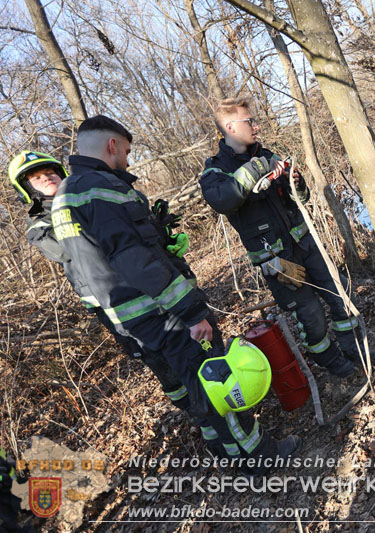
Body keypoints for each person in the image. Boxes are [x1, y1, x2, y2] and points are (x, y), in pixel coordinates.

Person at [51, 115, 299, 475]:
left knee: (192, 384)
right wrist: (190, 312)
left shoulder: (66, 195)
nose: (128, 161)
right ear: (111, 145)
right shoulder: (100, 188)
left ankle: (223, 450)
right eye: (127, 152)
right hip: (162, 311)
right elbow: (133, 259)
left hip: (134, 317)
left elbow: (99, 261)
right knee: (217, 378)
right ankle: (257, 456)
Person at [7, 151, 196, 413]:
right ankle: (188, 405)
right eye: (37, 178)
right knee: (151, 353)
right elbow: (66, 249)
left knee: (181, 335)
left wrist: (157, 235)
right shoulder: (38, 226)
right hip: (108, 300)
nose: (47, 178)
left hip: (141, 280)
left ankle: (205, 392)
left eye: (50, 172)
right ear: (26, 189)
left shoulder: (85, 196)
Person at [200, 97, 359, 377]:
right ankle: (329, 359)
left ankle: (354, 348)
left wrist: (296, 182)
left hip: (306, 244)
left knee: (340, 293)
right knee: (311, 315)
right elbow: (224, 200)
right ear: (230, 127)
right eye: (250, 121)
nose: (257, 127)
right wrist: (258, 168)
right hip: (277, 260)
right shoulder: (215, 172)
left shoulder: (267, 154)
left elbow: (300, 199)